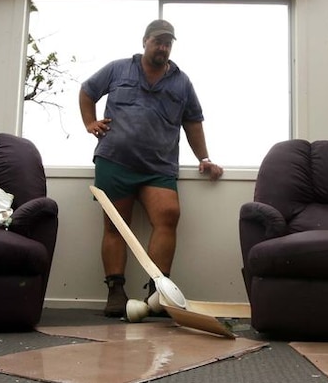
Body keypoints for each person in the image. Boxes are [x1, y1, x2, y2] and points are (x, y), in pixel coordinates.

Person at [79, 18, 224, 317]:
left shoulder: (182, 82)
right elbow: (87, 91)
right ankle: (116, 290)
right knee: (116, 225)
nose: (163, 47)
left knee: (169, 216)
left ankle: (159, 292)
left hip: (159, 166)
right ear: (145, 41)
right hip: (114, 160)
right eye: (158, 41)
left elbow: (193, 122)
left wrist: (204, 158)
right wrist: (89, 123)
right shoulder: (118, 68)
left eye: (168, 43)